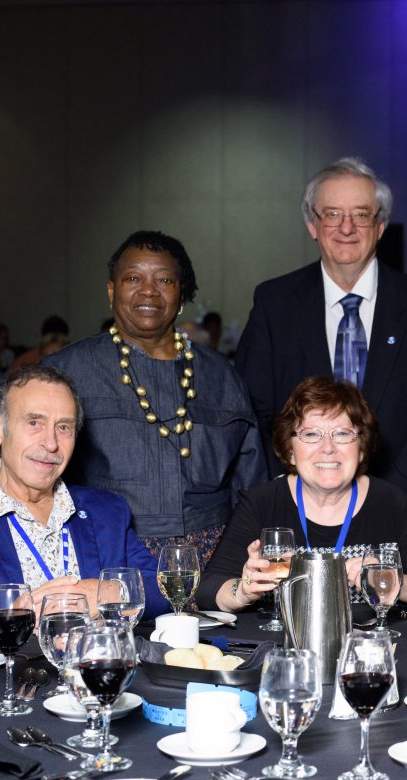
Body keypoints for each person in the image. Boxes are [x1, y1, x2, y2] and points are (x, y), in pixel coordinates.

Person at [235, 157, 407, 512]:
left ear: (381, 225)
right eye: (332, 214)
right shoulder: (273, 303)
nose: (346, 228)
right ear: (312, 224)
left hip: (400, 512)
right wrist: (296, 491)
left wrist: (385, 501)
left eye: (360, 214)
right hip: (297, 511)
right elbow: (254, 412)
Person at [47, 231, 266, 562]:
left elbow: (251, 486)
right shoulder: (66, 371)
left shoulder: (221, 376)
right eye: (133, 278)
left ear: (182, 296)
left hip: (215, 561)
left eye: (164, 280)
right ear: (111, 291)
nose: (148, 290)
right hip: (106, 554)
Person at [196, 377, 407, 612]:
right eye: (311, 434)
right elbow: (208, 590)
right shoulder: (261, 503)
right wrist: (241, 591)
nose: (328, 448)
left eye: (342, 434)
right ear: (289, 449)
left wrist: (391, 582)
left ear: (361, 449)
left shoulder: (390, 501)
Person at [0, 366, 169, 642]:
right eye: (34, 423)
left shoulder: (107, 511)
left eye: (63, 427)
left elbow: (162, 590)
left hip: (93, 677)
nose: (51, 443)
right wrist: (10, 621)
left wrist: (107, 592)